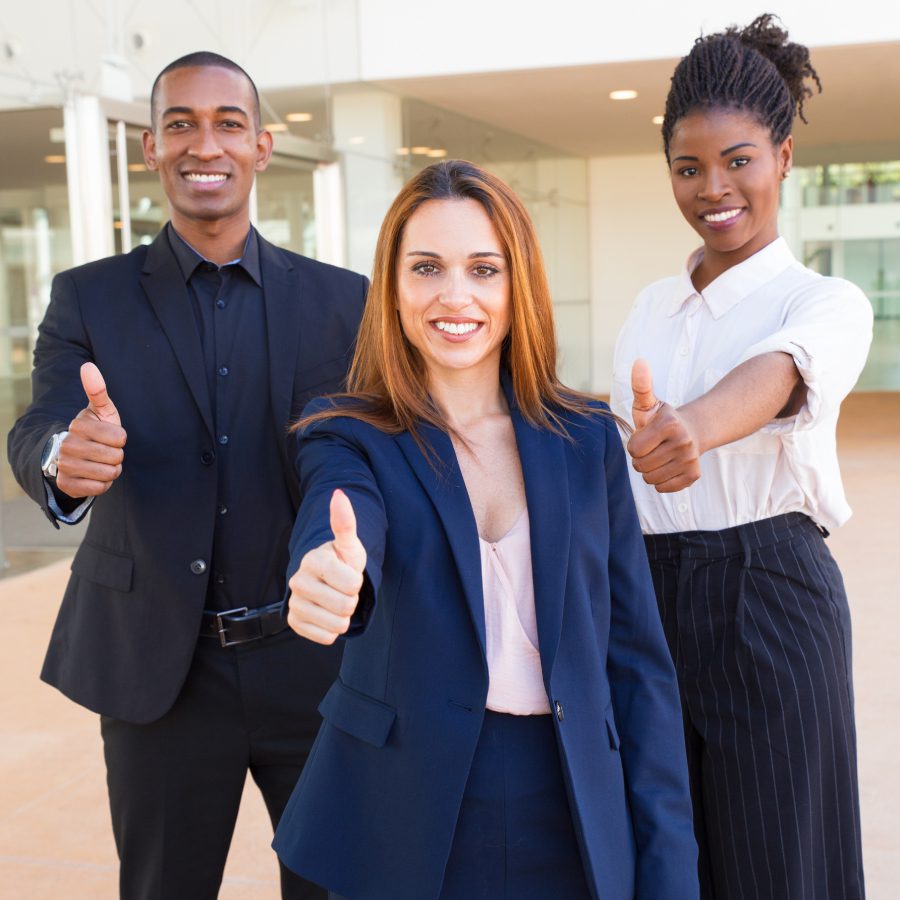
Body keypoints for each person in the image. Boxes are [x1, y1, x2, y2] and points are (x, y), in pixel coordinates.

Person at [270, 159, 699, 900]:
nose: (455, 295)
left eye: (483, 269)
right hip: (409, 810)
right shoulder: (349, 435)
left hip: (570, 801)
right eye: (427, 267)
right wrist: (331, 572)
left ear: (517, 285)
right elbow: (341, 517)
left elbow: (638, 668)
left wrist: (671, 872)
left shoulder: (588, 438)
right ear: (393, 287)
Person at [7, 52, 367, 900]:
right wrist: (68, 456)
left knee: (341, 885)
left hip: (313, 663)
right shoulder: (88, 297)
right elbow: (40, 425)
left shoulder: (344, 302)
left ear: (262, 146)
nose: (204, 143)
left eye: (228, 123)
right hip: (158, 671)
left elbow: (372, 456)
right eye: (180, 123)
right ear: (150, 148)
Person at [611, 15, 871, 900]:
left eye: (739, 160)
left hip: (770, 592)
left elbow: (782, 378)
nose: (713, 188)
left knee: (780, 863)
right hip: (649, 595)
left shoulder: (826, 301)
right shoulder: (650, 307)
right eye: (689, 168)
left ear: (785, 157)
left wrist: (692, 427)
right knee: (669, 858)